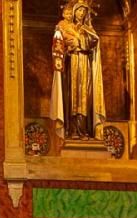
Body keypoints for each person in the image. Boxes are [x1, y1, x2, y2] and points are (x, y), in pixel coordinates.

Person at [50, 0, 106, 140]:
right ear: (74, 12)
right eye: (79, 10)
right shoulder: (66, 26)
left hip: (84, 64)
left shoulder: (87, 28)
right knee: (72, 96)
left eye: (84, 11)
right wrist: (70, 47)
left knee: (84, 97)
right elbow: (60, 46)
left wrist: (80, 43)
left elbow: (94, 40)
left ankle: (83, 130)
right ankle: (72, 129)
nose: (81, 13)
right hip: (71, 63)